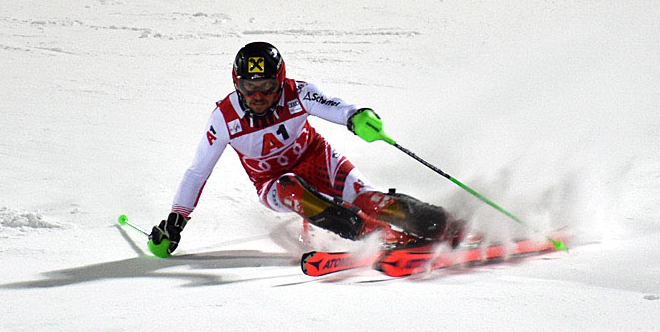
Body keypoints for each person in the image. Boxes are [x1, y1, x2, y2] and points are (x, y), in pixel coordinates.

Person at [145, 42, 454, 259]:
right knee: (290, 188)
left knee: (369, 199)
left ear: (279, 79)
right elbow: (198, 171)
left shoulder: (298, 92)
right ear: (236, 82)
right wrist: (176, 221)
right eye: (249, 86)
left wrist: (356, 117)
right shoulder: (225, 118)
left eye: (266, 84)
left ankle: (444, 223)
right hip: (272, 183)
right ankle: (377, 236)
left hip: (318, 160)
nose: (258, 95)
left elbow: (334, 106)